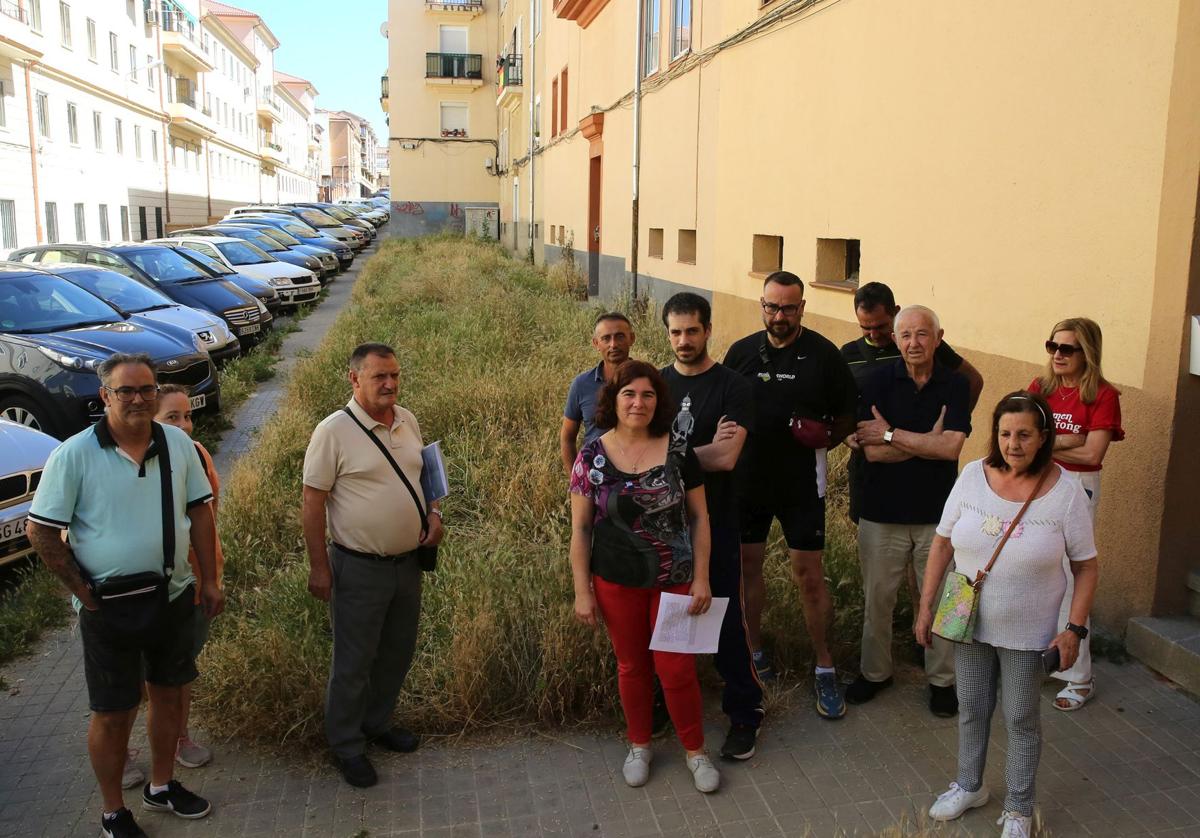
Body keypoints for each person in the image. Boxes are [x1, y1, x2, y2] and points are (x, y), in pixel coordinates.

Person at [27, 352, 224, 838]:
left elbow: (200, 513)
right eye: (125, 391)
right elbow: (41, 531)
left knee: (170, 697)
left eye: (146, 389)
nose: (138, 399)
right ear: (105, 396)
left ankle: (162, 785)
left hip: (173, 594)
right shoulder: (73, 454)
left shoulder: (177, 444)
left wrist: (211, 580)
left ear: (156, 391)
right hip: (108, 607)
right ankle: (114, 811)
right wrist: (82, 592)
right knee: (114, 713)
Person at [916, 391, 1098, 838]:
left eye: (1023, 435)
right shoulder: (973, 475)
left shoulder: (1066, 492)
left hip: (1028, 631)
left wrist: (1073, 629)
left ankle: (1019, 807)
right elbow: (942, 542)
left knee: (1020, 717)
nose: (1012, 444)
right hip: (969, 619)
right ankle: (970, 785)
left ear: (1043, 438)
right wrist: (925, 606)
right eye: (1004, 434)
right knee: (972, 706)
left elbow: (1086, 565)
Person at [569, 360, 720, 793]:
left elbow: (699, 517)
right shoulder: (591, 455)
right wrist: (583, 590)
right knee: (632, 666)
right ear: (612, 400)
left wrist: (703, 578)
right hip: (615, 580)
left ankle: (695, 751)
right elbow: (580, 528)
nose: (638, 403)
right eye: (629, 394)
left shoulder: (678, 450)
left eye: (648, 395)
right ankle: (639, 744)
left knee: (676, 670)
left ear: (659, 402)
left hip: (675, 577)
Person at [302, 342, 444, 788]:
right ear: (354, 379)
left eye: (395, 375)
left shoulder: (407, 419)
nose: (389, 384)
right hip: (359, 567)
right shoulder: (332, 431)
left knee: (396, 653)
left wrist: (435, 516)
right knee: (353, 661)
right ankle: (346, 745)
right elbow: (312, 502)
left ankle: (377, 724)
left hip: (407, 564)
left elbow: (427, 476)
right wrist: (319, 568)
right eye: (379, 376)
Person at [723, 272, 856, 720]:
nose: (779, 316)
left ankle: (824, 665)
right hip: (749, 482)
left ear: (802, 308)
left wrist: (823, 441)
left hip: (801, 484)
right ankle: (753, 652)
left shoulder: (823, 355)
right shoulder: (741, 353)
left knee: (809, 576)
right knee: (747, 568)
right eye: (771, 307)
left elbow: (846, 415)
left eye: (788, 308)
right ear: (761, 305)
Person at [659, 293, 766, 758]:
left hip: (718, 523)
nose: (684, 340)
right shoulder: (654, 385)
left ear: (707, 330)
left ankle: (746, 713)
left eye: (692, 331)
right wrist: (690, 457)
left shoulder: (733, 387)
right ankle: (669, 705)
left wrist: (663, 458)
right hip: (663, 527)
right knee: (666, 620)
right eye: (676, 332)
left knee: (725, 623)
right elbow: (631, 450)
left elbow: (726, 456)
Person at [849, 305, 970, 717]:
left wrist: (891, 434)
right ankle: (875, 673)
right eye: (906, 335)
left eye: (923, 334)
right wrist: (924, 442)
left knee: (945, 601)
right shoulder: (876, 381)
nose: (914, 343)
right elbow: (873, 453)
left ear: (939, 337)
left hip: (940, 516)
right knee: (877, 599)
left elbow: (951, 447)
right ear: (896, 339)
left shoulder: (955, 385)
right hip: (881, 513)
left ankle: (943, 680)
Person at [1028, 317, 1123, 711]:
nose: (1058, 355)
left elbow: (1092, 454)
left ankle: (1080, 677)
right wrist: (1067, 439)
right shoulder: (1041, 388)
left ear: (1088, 353)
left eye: (1067, 349)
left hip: (1077, 490)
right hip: (1039, 485)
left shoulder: (1103, 394)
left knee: (1070, 580)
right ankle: (1052, 661)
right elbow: (1022, 435)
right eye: (1053, 346)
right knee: (1039, 576)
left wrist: (1047, 442)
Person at [841, 281, 984, 524]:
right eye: (866, 328)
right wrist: (845, 434)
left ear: (895, 312)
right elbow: (839, 403)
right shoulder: (847, 354)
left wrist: (954, 423)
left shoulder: (925, 346)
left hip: (927, 483)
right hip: (873, 471)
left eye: (881, 326)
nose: (874, 335)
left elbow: (973, 380)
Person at [154, 384, 223, 769]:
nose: (184, 426)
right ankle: (128, 751)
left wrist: (211, 578)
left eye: (187, 416)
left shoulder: (197, 454)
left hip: (193, 583)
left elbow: (210, 515)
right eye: (172, 418)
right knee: (137, 677)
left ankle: (181, 737)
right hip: (143, 590)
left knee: (181, 668)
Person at [561, 312, 636, 473]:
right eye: (606, 338)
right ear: (596, 343)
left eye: (620, 336)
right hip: (595, 477)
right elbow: (567, 438)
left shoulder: (648, 381)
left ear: (632, 339)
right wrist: (576, 481)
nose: (613, 344)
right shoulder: (581, 384)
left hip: (638, 477)